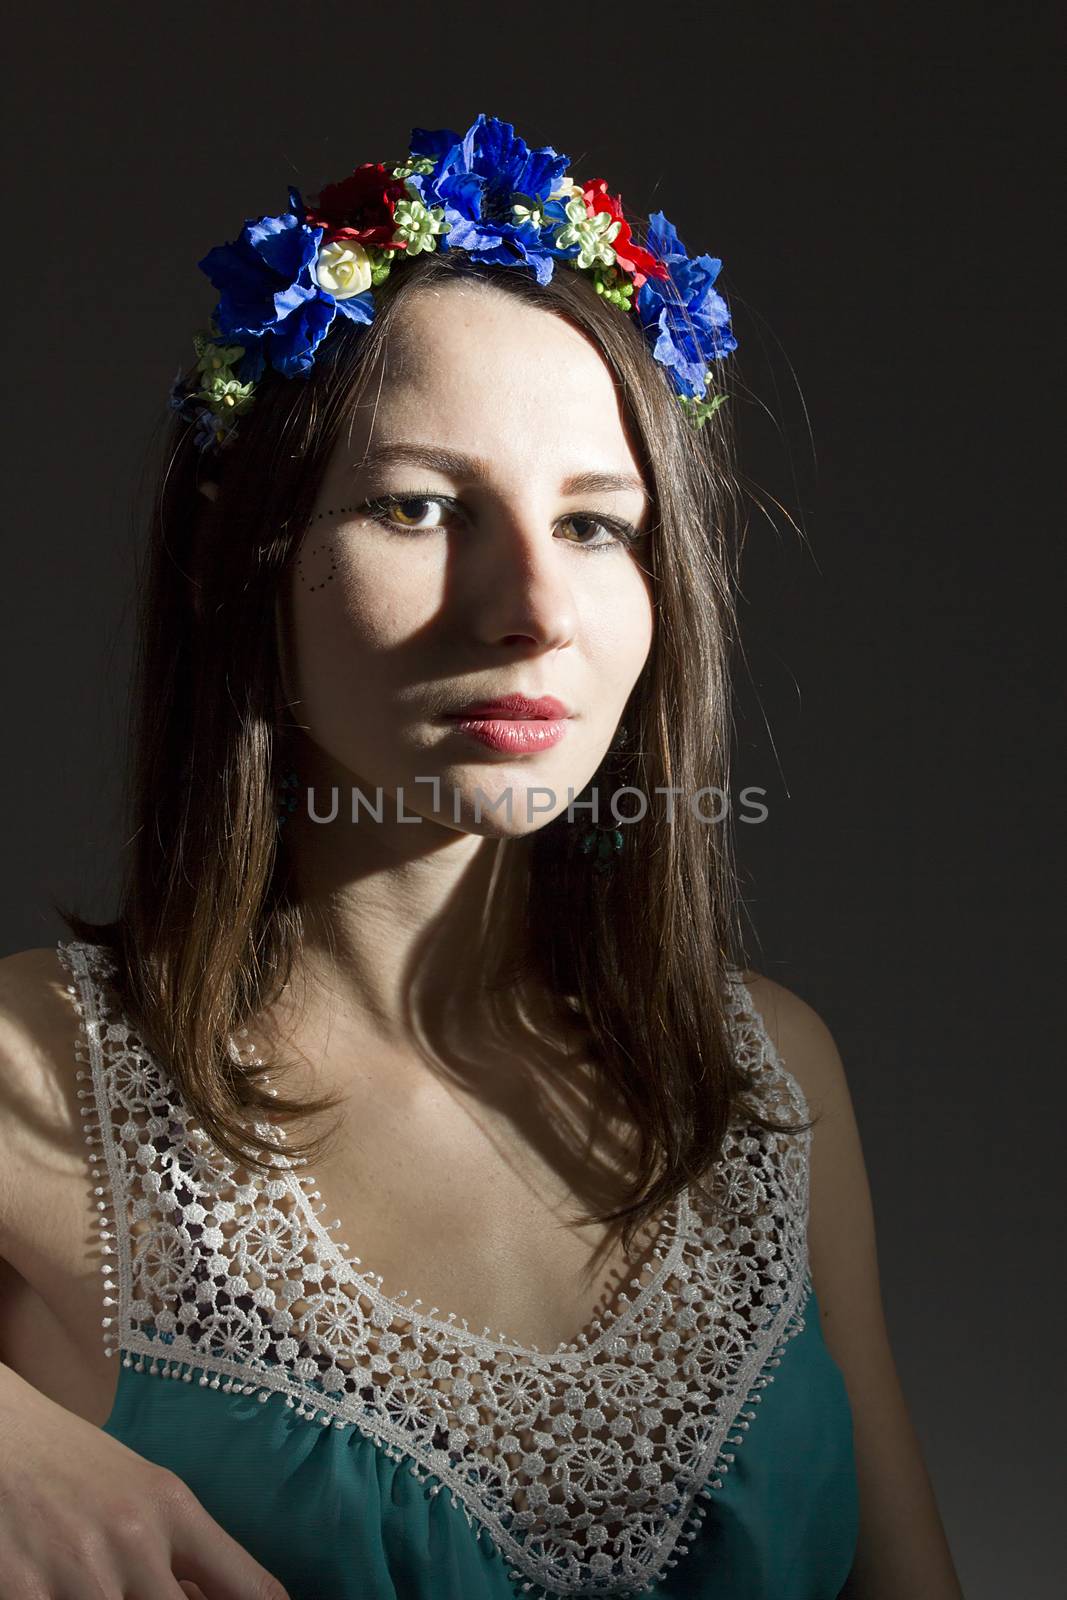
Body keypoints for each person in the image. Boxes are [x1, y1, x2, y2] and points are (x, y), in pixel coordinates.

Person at [0, 113, 963, 1599]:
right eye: (422, 507)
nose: (531, 607)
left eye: (595, 524)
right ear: (232, 557)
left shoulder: (771, 1080)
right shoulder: (35, 1070)